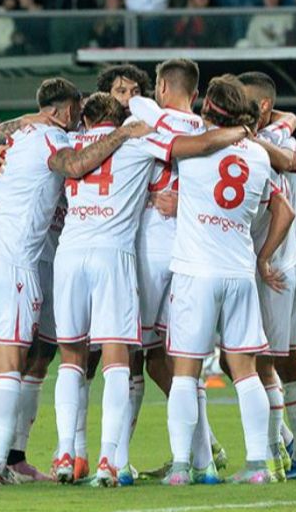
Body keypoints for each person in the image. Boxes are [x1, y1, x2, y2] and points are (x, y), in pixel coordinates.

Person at [50, 91, 244, 486]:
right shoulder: (137, 141)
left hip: (68, 256)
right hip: (116, 256)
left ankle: (67, 455)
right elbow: (197, 146)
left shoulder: (68, 143)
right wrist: (243, 131)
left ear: (83, 119)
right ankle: (110, 461)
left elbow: (59, 159)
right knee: (122, 359)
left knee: (71, 358)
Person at [0, 78, 151, 486]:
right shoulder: (55, 138)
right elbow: (76, 165)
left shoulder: (20, 133)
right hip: (15, 261)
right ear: (66, 110)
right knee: (14, 363)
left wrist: (25, 122)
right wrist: (123, 133)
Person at [162, 74, 294, 486]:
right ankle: (258, 464)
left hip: (196, 272)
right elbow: (285, 211)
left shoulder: (192, 149)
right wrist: (262, 255)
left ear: (207, 109)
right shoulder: (257, 156)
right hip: (239, 273)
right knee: (245, 371)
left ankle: (183, 466)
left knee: (185, 371)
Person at [239, 71, 296, 480]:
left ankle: (276, 456)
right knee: (287, 363)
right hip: (293, 263)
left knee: (262, 364)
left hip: (274, 270)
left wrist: (263, 260)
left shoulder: (262, 149)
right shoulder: (283, 135)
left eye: (245, 100)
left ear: (263, 106)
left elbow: (281, 213)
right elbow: (289, 119)